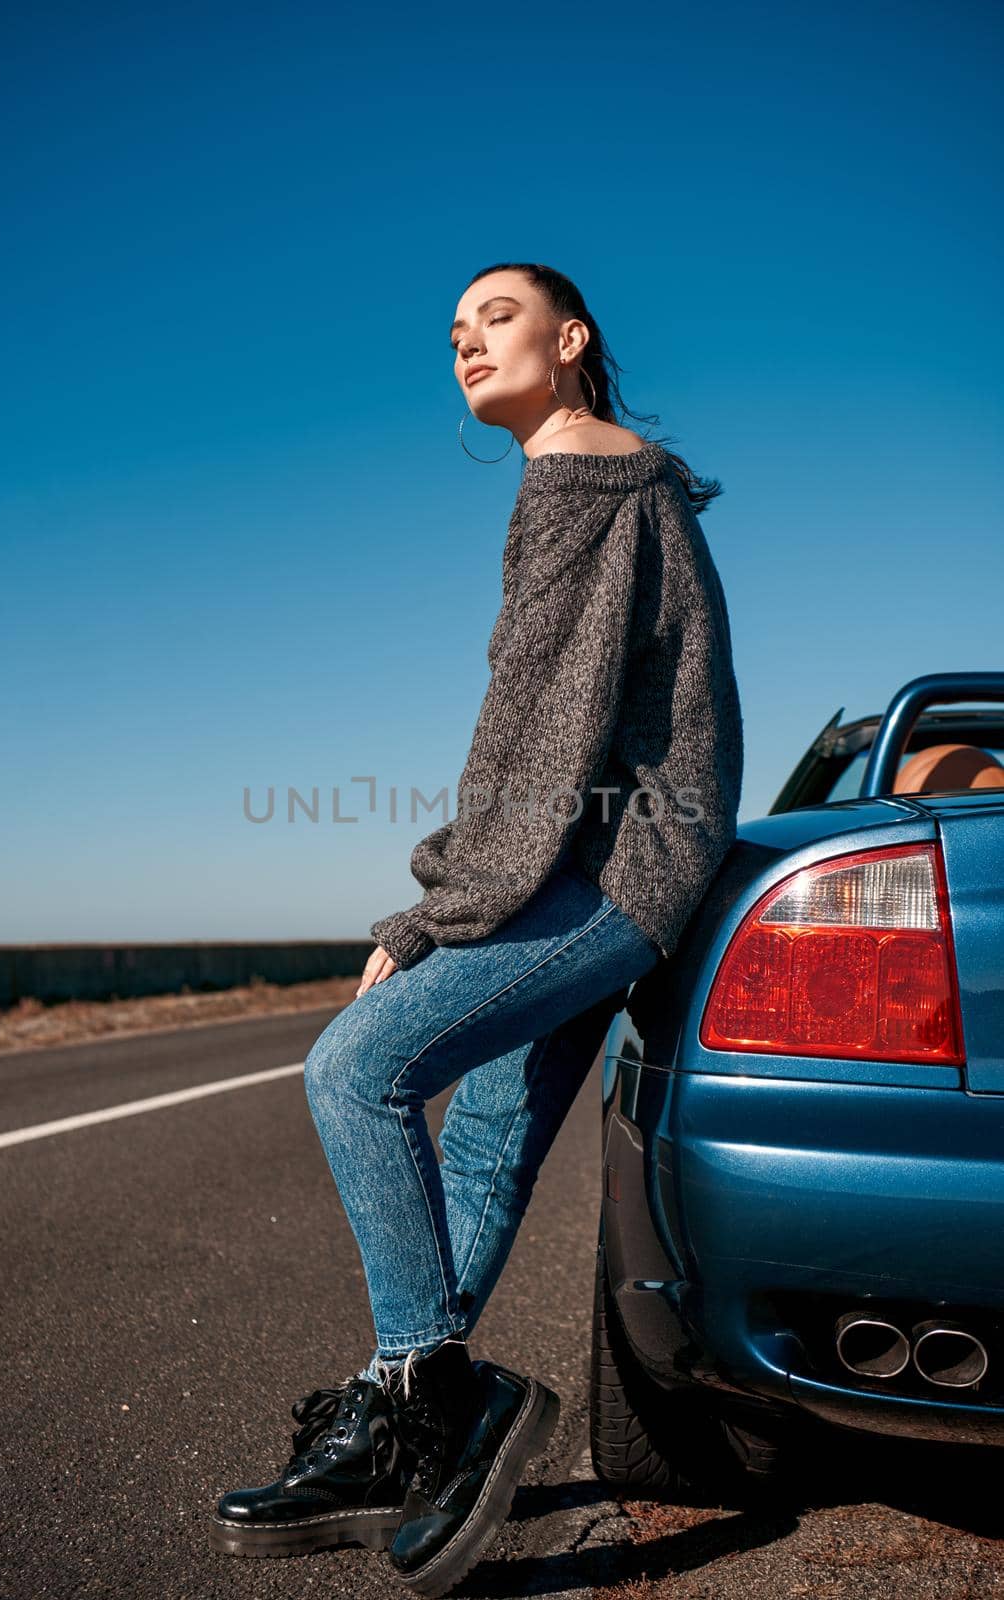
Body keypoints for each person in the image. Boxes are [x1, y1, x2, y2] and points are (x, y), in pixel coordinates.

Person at [208, 261, 744, 1596]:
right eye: (451, 332)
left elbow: (532, 735)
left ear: (572, 341)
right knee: (490, 1143)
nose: (466, 344)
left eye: (494, 318)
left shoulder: (574, 479)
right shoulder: (635, 483)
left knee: (355, 1066)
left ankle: (421, 1402)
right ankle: (446, 1422)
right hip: (631, 859)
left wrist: (441, 906)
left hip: (607, 870)